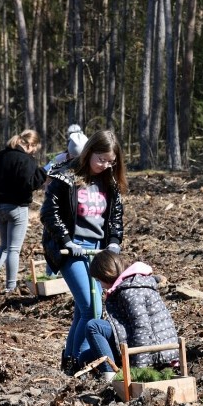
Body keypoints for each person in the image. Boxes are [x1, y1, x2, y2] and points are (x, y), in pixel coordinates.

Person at [40, 129, 127, 375]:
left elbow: (116, 218)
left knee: (84, 308)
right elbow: (49, 213)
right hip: (71, 249)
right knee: (90, 306)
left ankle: (69, 359)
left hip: (98, 250)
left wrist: (114, 241)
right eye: (101, 159)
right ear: (89, 153)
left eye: (111, 161)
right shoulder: (66, 176)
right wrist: (67, 241)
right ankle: (80, 360)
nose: (106, 165)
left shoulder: (109, 181)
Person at [83, 250, 180, 382]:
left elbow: (142, 329)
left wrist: (138, 369)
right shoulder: (131, 284)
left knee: (94, 326)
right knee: (85, 357)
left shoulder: (131, 291)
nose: (100, 285)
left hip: (156, 353)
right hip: (144, 346)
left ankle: (111, 378)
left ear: (106, 274)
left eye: (99, 280)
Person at [0, 129, 48, 293]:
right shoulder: (26, 160)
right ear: (31, 145)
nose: (34, 153)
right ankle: (10, 286)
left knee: (3, 246)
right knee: (14, 249)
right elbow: (31, 183)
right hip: (17, 208)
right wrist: (45, 171)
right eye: (35, 149)